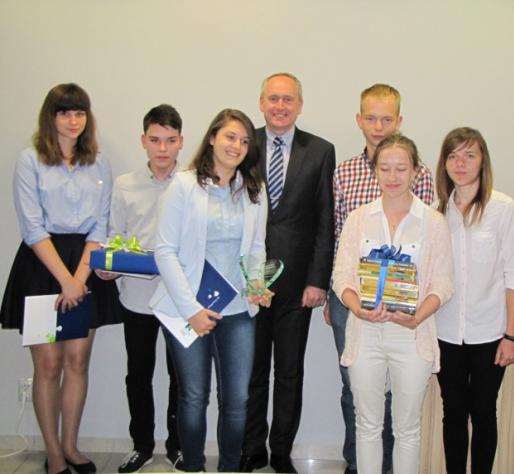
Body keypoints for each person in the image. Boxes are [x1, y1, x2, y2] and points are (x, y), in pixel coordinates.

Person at [0, 83, 120, 474]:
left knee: (78, 361)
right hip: (42, 266)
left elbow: (100, 225)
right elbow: (32, 227)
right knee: (49, 365)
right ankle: (53, 453)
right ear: (50, 117)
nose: (73, 120)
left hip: (85, 265)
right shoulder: (30, 160)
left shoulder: (98, 162)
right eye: (65, 112)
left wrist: (79, 278)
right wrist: (65, 280)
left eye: (79, 112)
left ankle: (71, 445)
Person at [149, 108, 270, 472]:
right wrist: (191, 310)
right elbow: (164, 251)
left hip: (237, 311)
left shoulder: (254, 190)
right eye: (230, 136)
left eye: (244, 141)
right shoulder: (184, 185)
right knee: (193, 397)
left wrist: (257, 284)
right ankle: (194, 467)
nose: (237, 146)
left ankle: (229, 468)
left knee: (237, 401)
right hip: (189, 310)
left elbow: (256, 249)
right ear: (213, 137)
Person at [324, 83, 434, 474]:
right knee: (354, 387)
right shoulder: (344, 172)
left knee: (400, 397)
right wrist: (336, 296)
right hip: (352, 299)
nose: (378, 126)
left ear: (399, 121)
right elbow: (335, 235)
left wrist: (417, 306)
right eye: (371, 118)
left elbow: (428, 245)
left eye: (387, 119)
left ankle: (390, 465)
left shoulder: (421, 175)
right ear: (359, 120)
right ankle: (359, 464)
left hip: (405, 304)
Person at [240, 72, 335, 474]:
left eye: (288, 99)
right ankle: (251, 448)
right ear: (261, 102)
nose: (280, 106)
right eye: (273, 98)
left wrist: (317, 280)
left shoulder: (321, 150)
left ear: (300, 105)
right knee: (252, 369)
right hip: (251, 280)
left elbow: (325, 221)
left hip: (298, 285)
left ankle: (280, 450)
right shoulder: (243, 144)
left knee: (290, 371)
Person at [433, 127, 514, 474]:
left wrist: (511, 335)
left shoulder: (503, 209)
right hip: (445, 332)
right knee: (453, 413)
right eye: (453, 156)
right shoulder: (436, 212)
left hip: (490, 333)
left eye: (469, 155)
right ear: (444, 163)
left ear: (483, 161)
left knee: (484, 412)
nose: (460, 163)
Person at [99, 104, 185, 473]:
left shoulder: (192, 184)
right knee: (138, 374)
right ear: (143, 141)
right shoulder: (125, 185)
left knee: (181, 377)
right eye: (155, 140)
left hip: (178, 299)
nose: (162, 148)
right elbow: (114, 237)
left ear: (181, 142)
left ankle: (178, 447)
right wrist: (108, 267)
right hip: (136, 297)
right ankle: (142, 445)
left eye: (170, 140)